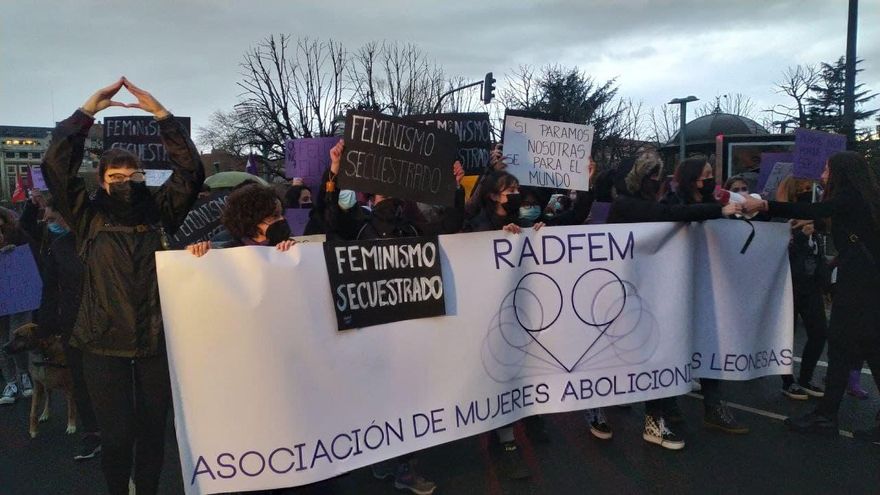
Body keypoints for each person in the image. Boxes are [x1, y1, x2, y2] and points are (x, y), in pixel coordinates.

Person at [43, 77, 205, 495]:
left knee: (153, 434)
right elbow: (56, 169)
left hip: (154, 342)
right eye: (116, 174)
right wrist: (85, 114)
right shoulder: (86, 217)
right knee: (116, 438)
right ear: (101, 179)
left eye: (133, 174)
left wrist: (162, 116)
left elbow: (191, 171)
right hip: (101, 344)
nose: (125, 180)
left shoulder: (161, 210)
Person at [607, 152, 741, 449]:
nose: (657, 180)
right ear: (639, 178)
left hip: (652, 290)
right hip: (629, 292)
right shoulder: (627, 204)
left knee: (657, 352)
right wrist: (719, 211)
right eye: (652, 175)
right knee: (620, 356)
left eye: (659, 174)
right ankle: (599, 409)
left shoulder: (650, 203)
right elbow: (665, 218)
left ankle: (655, 421)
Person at [742, 151, 880, 438]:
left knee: (843, 345)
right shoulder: (865, 199)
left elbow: (817, 211)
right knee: (867, 347)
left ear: (842, 173)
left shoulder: (848, 197)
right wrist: (814, 226)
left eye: (828, 169)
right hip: (867, 284)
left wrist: (766, 204)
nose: (823, 174)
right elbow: (843, 224)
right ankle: (826, 414)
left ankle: (826, 416)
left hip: (857, 286)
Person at [464, 170, 545, 479]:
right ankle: (506, 442)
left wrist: (538, 232)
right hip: (490, 316)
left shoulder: (522, 224)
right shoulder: (478, 226)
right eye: (508, 190)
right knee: (499, 376)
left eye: (515, 189)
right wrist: (497, 235)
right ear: (493, 195)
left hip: (520, 313)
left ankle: (515, 431)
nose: (515, 193)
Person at [661, 156, 749, 434]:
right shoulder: (672, 201)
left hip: (710, 282)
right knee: (676, 344)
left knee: (710, 342)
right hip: (678, 284)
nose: (709, 179)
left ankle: (714, 406)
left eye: (711, 174)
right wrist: (717, 211)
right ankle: (669, 404)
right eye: (704, 175)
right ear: (690, 178)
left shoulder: (720, 202)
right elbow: (676, 217)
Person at [773, 177, 827, 401]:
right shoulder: (781, 219)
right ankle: (788, 381)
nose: (808, 192)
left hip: (811, 285)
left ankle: (806, 377)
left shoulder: (813, 218)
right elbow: (781, 254)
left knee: (819, 333)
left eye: (810, 189)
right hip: (789, 286)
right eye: (803, 190)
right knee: (788, 335)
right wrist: (800, 236)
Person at [188, 183, 297, 253]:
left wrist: (293, 251)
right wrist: (197, 252)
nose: (282, 219)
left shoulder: (289, 246)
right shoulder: (226, 251)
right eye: (274, 216)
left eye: (281, 214)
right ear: (252, 220)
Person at [0, 206, 35, 405]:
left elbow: (31, 250)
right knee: (2, 339)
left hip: (17, 292)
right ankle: (10, 381)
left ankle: (24, 375)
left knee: (17, 334)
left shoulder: (16, 233)